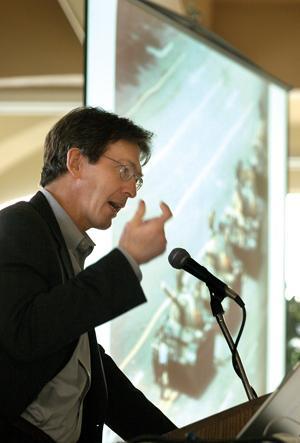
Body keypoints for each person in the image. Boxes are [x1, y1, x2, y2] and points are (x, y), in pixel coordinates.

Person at [0, 107, 176, 443]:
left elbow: (92, 371)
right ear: (76, 162)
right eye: (124, 171)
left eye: (136, 178)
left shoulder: (67, 247)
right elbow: (26, 333)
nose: (132, 191)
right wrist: (126, 261)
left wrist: (176, 437)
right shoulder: (17, 225)